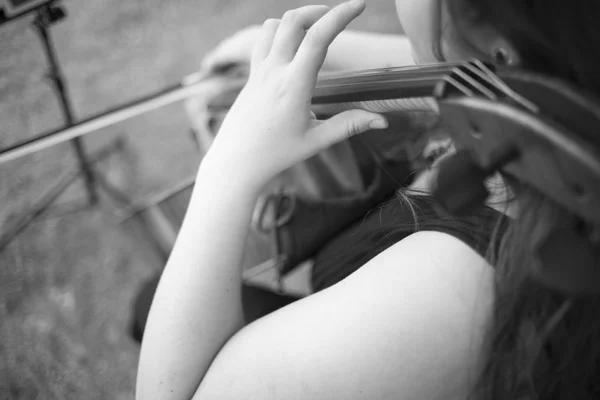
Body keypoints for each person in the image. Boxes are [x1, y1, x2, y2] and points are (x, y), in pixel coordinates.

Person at [136, 1, 600, 399]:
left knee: (154, 303)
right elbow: (468, 66)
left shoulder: (452, 292)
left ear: (493, 35)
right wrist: (311, 50)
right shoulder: (561, 79)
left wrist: (227, 168)